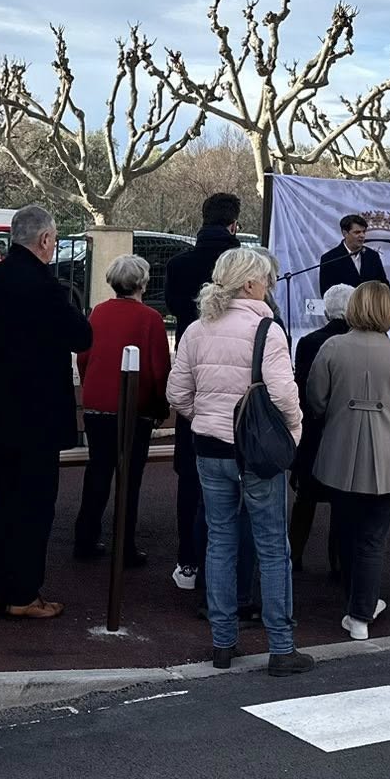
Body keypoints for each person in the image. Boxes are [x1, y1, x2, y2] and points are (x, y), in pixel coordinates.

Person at [166, 245, 313, 676]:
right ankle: (281, 647)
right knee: (273, 547)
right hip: (256, 452)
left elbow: (177, 394)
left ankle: (223, 642)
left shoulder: (196, 329)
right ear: (250, 284)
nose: (269, 286)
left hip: (210, 447)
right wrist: (293, 434)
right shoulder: (267, 329)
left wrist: (205, 417)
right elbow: (284, 394)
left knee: (220, 542)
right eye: (265, 279)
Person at [0, 205, 92, 620]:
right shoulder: (45, 285)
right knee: (35, 503)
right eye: (55, 239)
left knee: (2, 499)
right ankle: (23, 593)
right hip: (39, 410)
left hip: (1, 403)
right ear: (44, 240)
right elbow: (81, 336)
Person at [304, 281, 390, 639]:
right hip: (386, 456)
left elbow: (315, 400)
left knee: (345, 530)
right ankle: (361, 611)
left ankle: (355, 604)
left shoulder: (332, 348)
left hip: (338, 453)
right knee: (373, 538)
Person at [163, 192, 242, 592]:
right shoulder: (242, 267)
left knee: (191, 473)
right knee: (235, 477)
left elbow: (174, 307)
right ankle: (225, 566)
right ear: (234, 224)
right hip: (236, 379)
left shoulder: (179, 265)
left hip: (194, 371)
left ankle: (188, 560)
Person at [74, 254, 170, 564]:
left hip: (97, 403)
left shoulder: (99, 312)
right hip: (132, 405)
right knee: (129, 478)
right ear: (143, 283)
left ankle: (85, 538)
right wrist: (160, 406)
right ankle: (124, 545)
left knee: (98, 473)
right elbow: (159, 368)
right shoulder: (151, 318)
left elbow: (84, 357)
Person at [287, 282, 353, 575]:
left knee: (305, 498)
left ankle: (294, 555)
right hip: (347, 429)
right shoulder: (358, 342)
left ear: (327, 311)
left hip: (313, 429)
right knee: (343, 501)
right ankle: (338, 564)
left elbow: (302, 388)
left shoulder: (309, 342)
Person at [317, 214, 388, 294]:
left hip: (370, 302)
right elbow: (327, 293)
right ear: (345, 233)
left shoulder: (372, 256)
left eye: (364, 232)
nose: (362, 235)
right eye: (357, 232)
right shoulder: (329, 259)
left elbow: (385, 285)